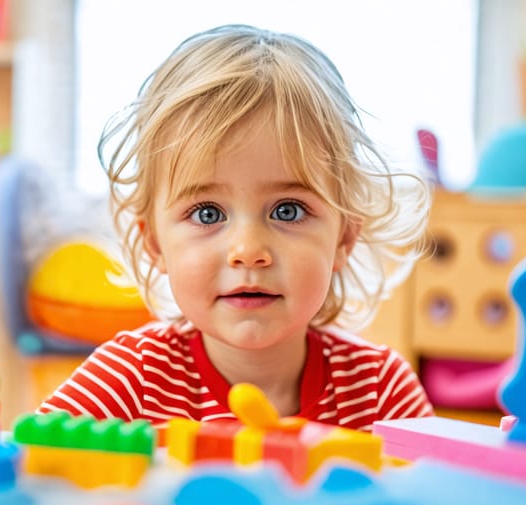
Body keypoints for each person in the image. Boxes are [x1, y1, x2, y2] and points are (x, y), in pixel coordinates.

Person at [38, 24, 434, 431]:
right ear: (154, 243)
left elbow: (433, 492)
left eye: (288, 211)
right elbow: (29, 467)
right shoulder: (126, 382)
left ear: (344, 238)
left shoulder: (382, 393)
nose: (248, 249)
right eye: (208, 213)